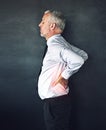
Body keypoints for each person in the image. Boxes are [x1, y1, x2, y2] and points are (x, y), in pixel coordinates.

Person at [38, 10, 88, 130]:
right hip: (58, 103)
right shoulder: (60, 42)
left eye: (43, 22)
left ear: (52, 26)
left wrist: (65, 75)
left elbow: (79, 60)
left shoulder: (55, 46)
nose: (39, 24)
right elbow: (84, 55)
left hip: (55, 104)